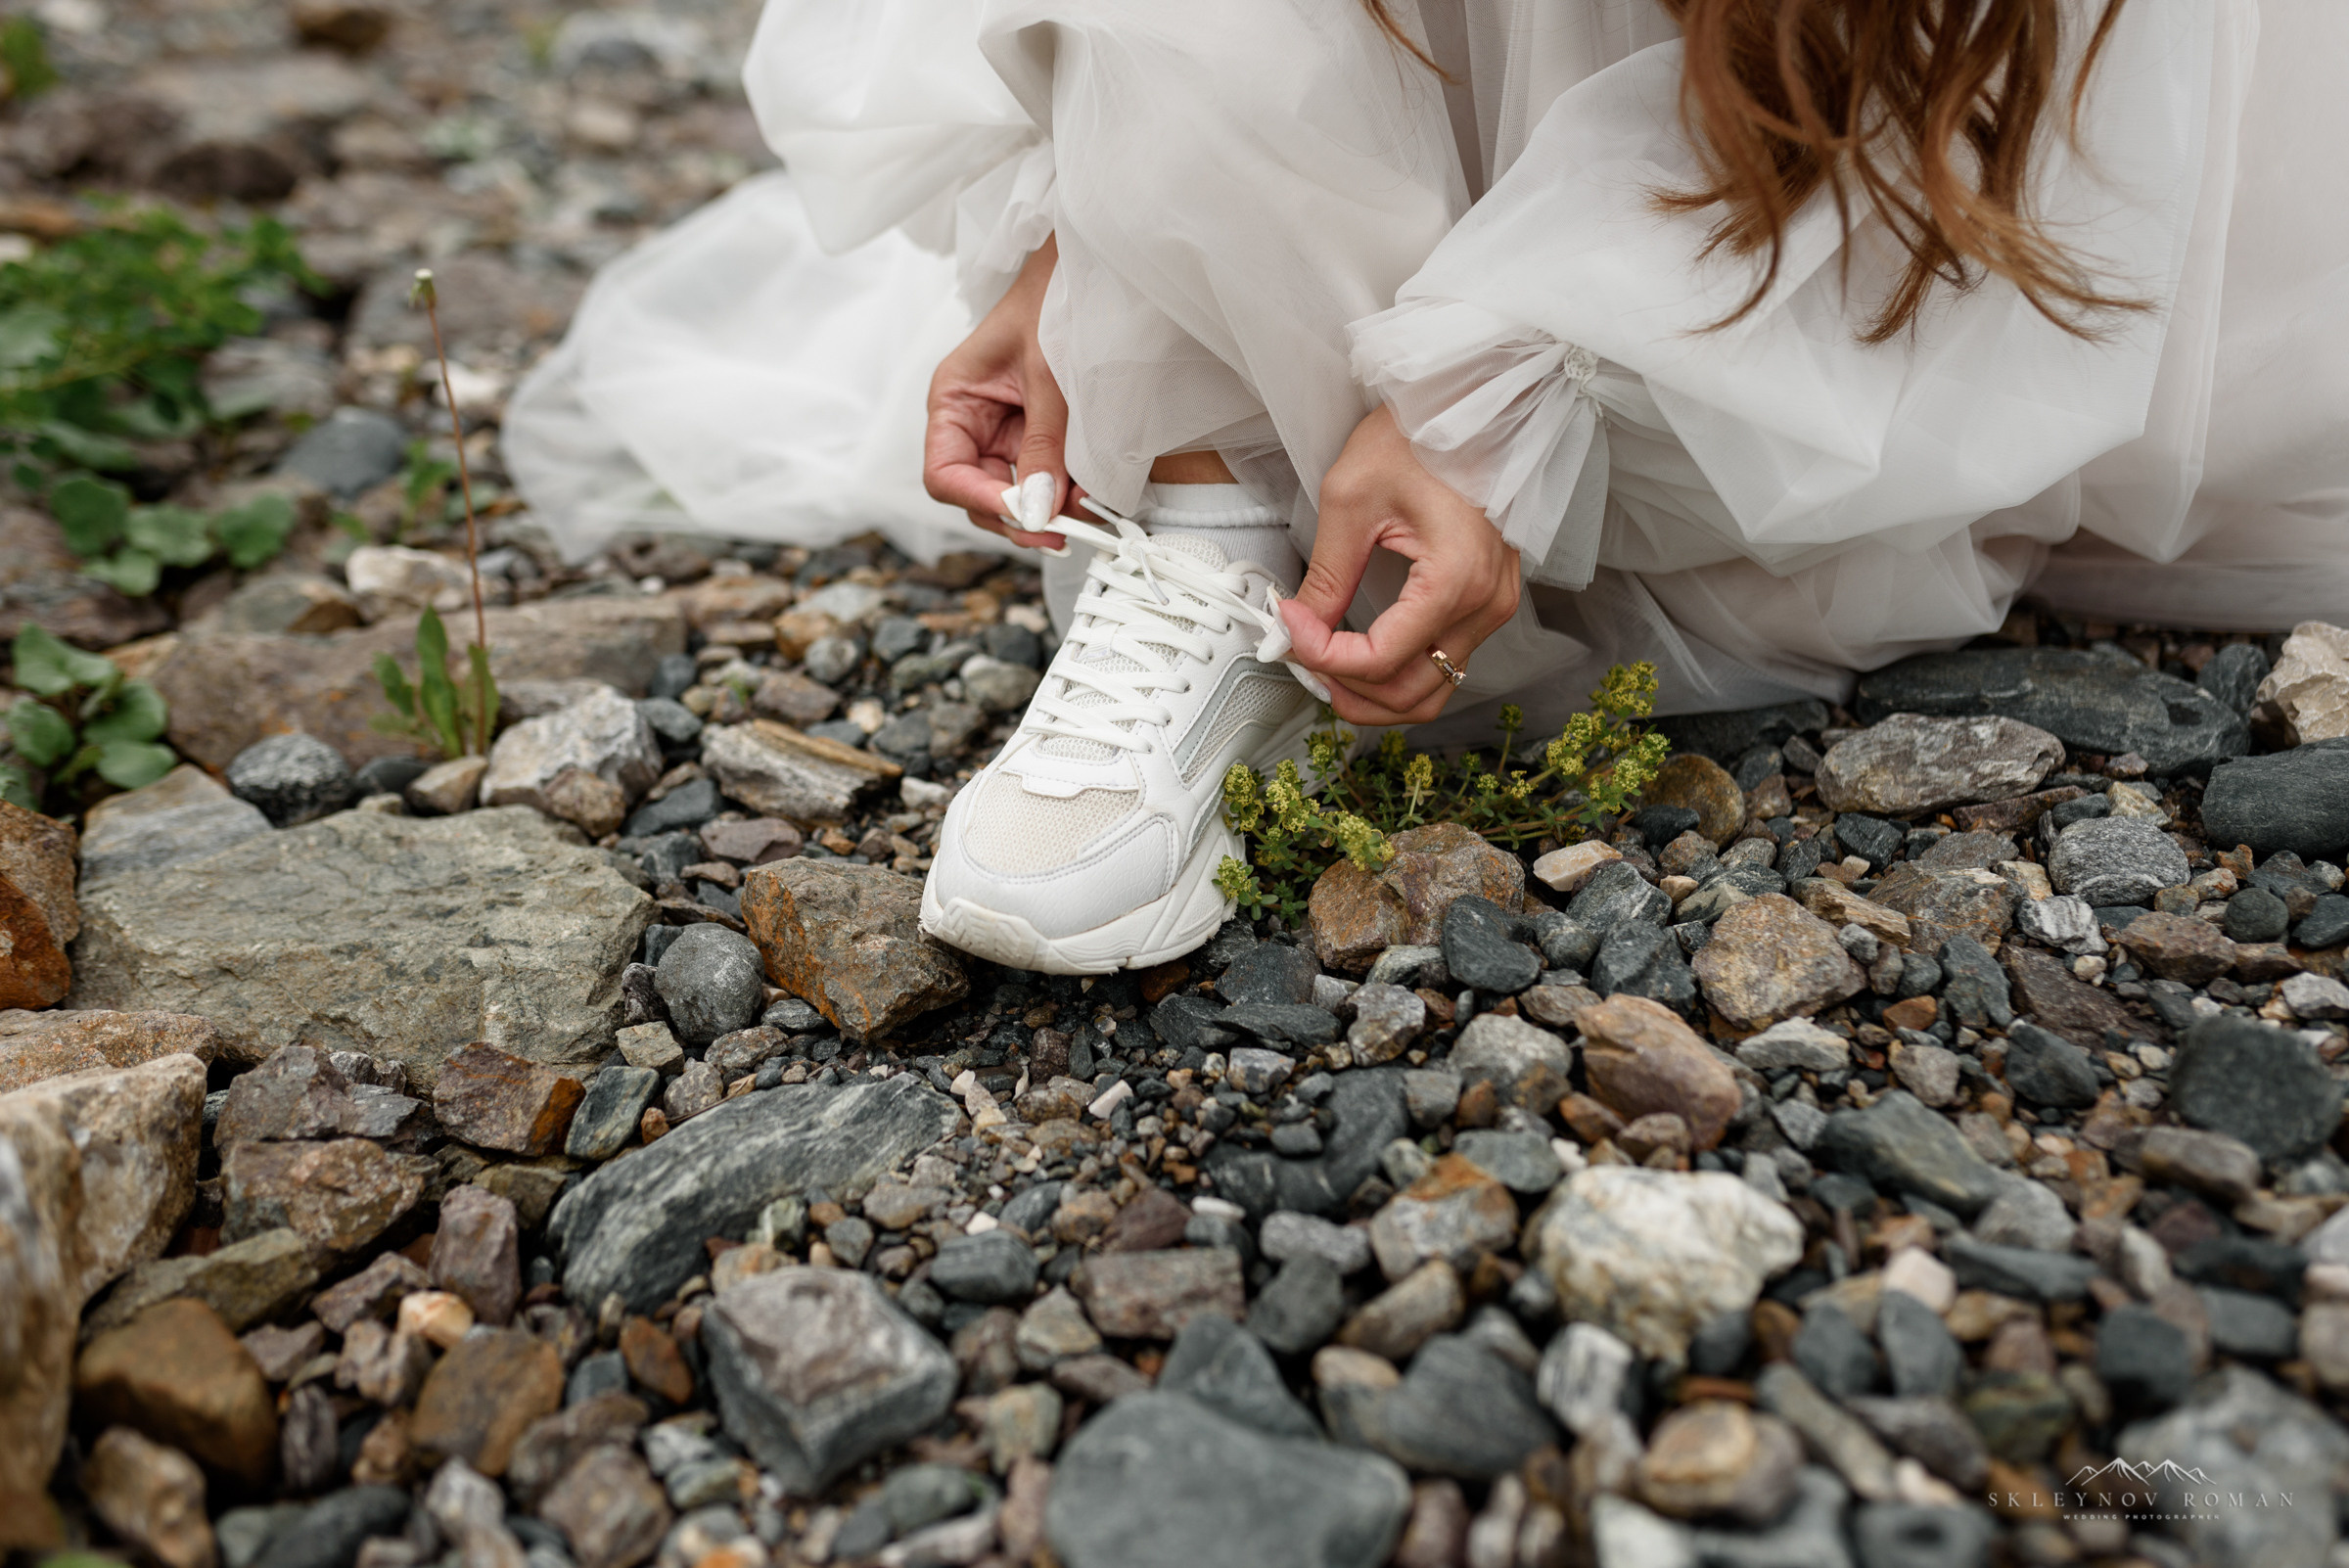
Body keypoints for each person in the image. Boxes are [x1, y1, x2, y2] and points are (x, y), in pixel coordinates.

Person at [507, 0, 2347, 975]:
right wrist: (1070, 244)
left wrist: (1511, 372)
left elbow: (1909, 124)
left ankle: (1318, 449)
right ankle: (1222, 479)